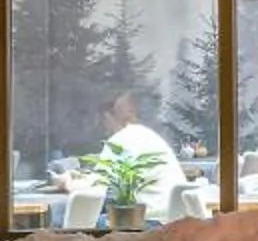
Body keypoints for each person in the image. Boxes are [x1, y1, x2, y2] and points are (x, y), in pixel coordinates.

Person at [68, 90, 185, 218]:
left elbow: (94, 191)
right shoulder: (146, 135)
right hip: (169, 220)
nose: (99, 126)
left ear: (106, 116)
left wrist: (67, 182)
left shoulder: (120, 141)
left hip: (147, 223)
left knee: (62, 215)